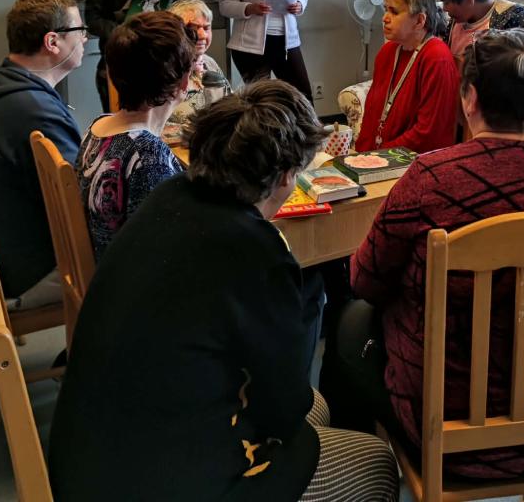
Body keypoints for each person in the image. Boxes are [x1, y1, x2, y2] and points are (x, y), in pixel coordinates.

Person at [50, 82, 398, 502]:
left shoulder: (168, 197)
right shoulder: (254, 251)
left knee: (317, 408)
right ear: (286, 176)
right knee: (376, 461)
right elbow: (283, 408)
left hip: (89, 456)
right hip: (160, 479)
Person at [324, 29, 524, 482]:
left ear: (471, 98)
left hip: (447, 431)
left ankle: (353, 472)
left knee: (350, 320)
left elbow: (365, 281)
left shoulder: (430, 179)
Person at [0, 0, 85, 308]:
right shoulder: (34, 111)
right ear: (52, 41)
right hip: (21, 271)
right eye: (80, 30)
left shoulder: (2, 84)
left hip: (0, 251)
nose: (84, 38)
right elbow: (81, 199)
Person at [76, 11, 193, 259]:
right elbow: (164, 252)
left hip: (107, 266)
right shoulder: (147, 154)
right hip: (128, 277)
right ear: (183, 83)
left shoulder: (98, 126)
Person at [355, 0, 460, 154]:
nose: (385, 18)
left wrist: (379, 155)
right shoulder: (388, 51)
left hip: (414, 159)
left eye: (394, 12)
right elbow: (372, 114)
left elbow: (429, 133)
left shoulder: (436, 58)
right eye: (385, 9)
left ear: (419, 21)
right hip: (380, 156)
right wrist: (362, 155)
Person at [163, 0, 231, 143]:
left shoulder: (209, 62)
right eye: (192, 28)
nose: (202, 35)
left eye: (206, 28)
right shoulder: (162, 68)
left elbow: (230, 105)